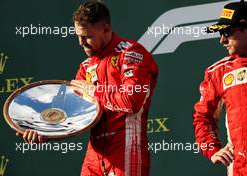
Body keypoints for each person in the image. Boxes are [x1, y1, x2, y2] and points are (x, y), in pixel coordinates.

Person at [20, 0, 158, 175]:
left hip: (125, 148)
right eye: (78, 36)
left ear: (106, 29)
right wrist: (43, 131)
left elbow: (132, 101)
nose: (80, 42)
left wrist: (94, 92)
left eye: (87, 36)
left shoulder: (131, 53)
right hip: (94, 155)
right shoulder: (85, 67)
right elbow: (71, 115)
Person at [192, 0, 247, 175]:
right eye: (220, 33)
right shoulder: (219, 71)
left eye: (228, 32)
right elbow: (203, 117)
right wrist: (212, 149)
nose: (222, 40)